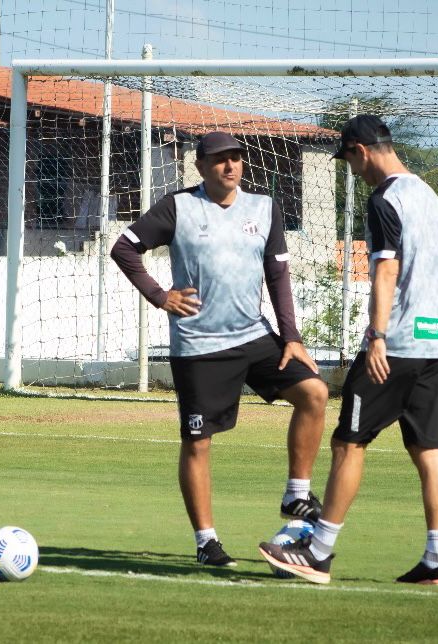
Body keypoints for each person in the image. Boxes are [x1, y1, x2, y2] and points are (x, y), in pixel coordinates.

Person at [111, 131, 329, 567]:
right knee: (198, 442)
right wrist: (160, 295)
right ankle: (206, 542)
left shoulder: (264, 208)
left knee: (315, 394)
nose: (229, 166)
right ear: (200, 167)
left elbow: (278, 275)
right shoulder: (179, 208)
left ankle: (296, 495)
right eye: (218, 160)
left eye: (235, 158)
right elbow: (125, 248)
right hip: (199, 346)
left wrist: (291, 336)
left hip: (253, 336)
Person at [259, 115, 438, 586]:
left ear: (361, 150)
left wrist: (378, 336)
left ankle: (319, 552)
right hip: (435, 341)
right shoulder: (427, 193)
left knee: (349, 442)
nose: (352, 169)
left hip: (398, 344)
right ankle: (436, 560)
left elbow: (386, 272)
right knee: (427, 449)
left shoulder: (384, 198)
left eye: (348, 159)